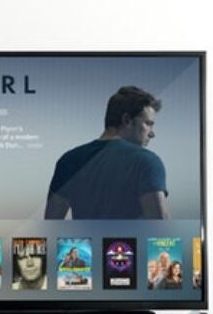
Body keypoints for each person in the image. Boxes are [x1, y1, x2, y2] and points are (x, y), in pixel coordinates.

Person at [45, 86, 170, 220]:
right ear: (127, 120)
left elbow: (51, 224)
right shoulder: (147, 162)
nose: (152, 133)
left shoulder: (68, 160)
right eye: (148, 123)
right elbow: (160, 227)